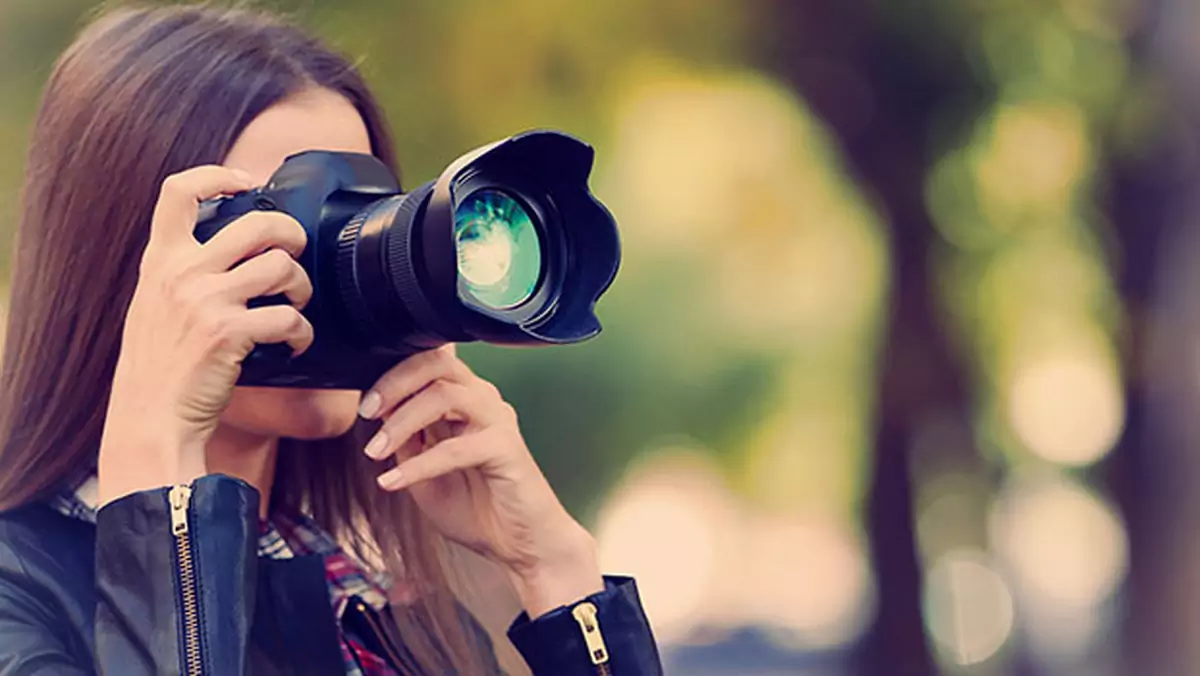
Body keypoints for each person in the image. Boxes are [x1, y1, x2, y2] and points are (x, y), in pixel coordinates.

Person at [0, 5, 661, 675]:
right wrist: (156, 477)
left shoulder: (388, 622)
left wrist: (556, 574)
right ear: (121, 263)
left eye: (358, 205)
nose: (327, 265)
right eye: (278, 218)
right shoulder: (17, 597)